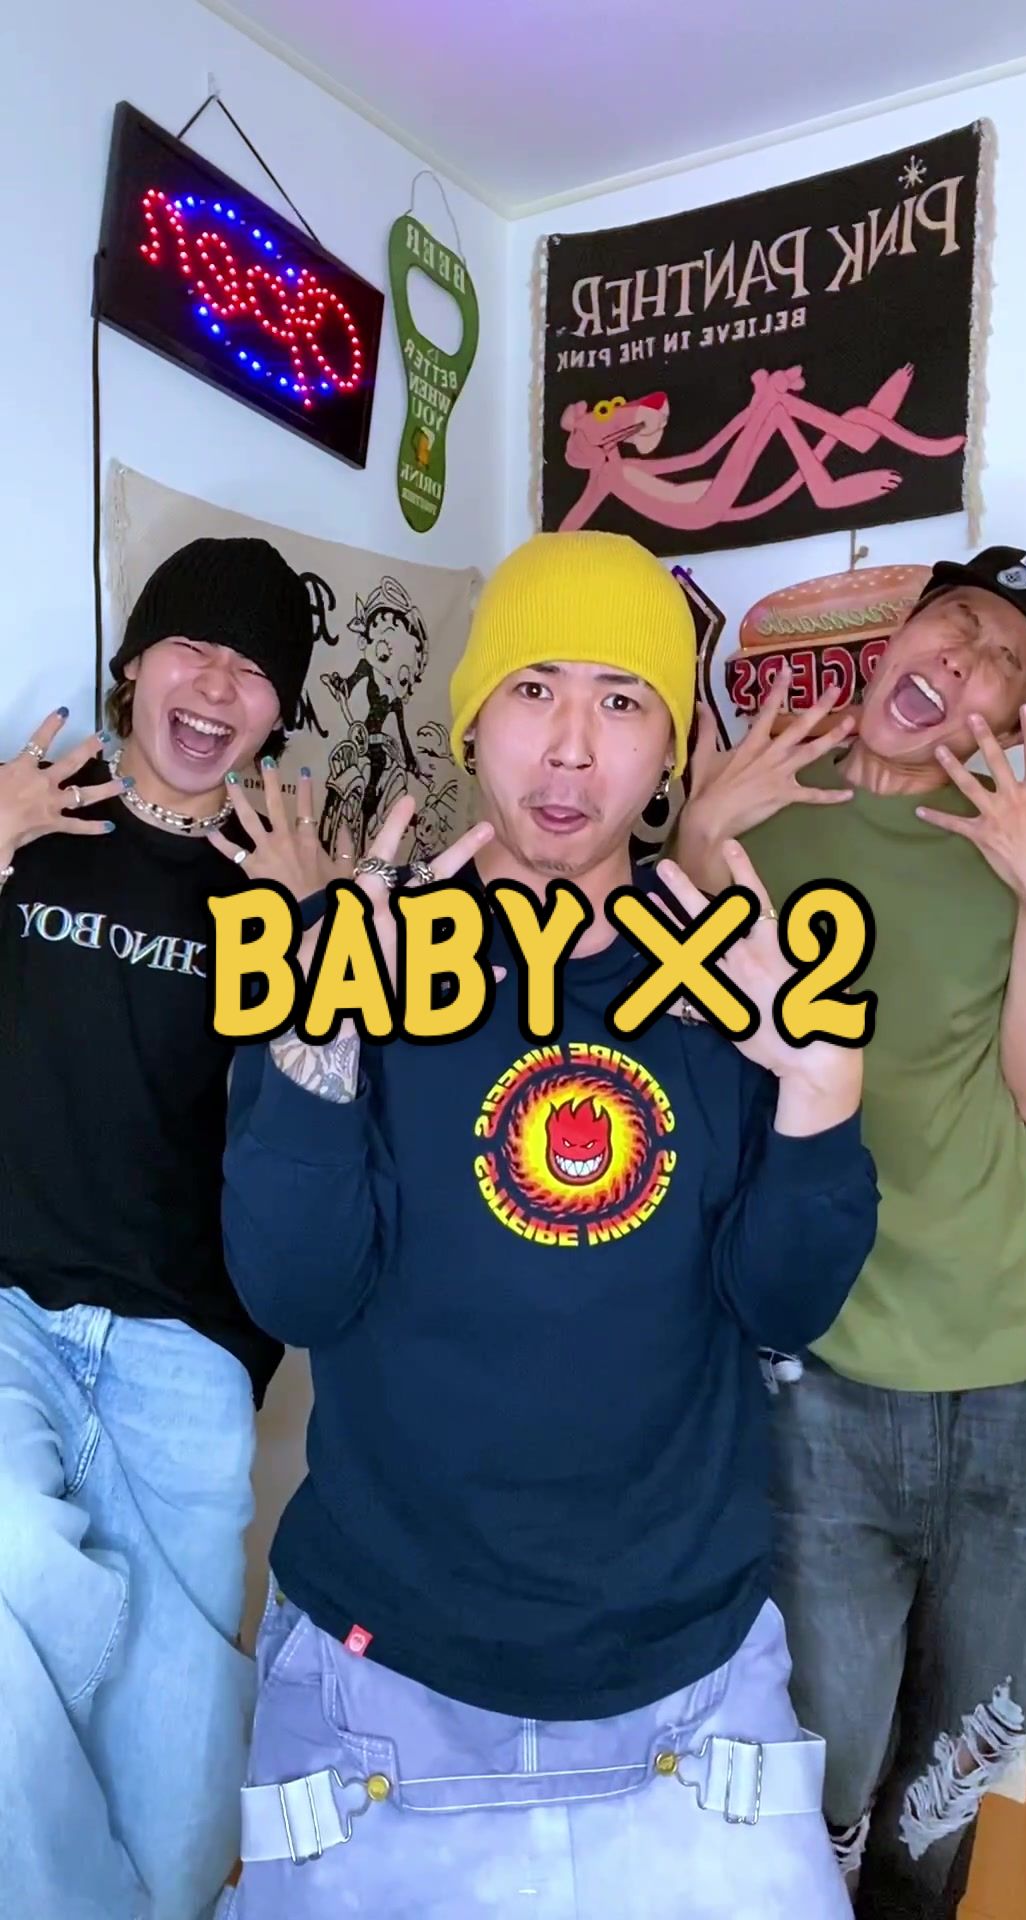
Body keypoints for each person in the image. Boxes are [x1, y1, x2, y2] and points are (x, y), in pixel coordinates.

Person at [216, 529, 879, 1919]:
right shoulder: (366, 959)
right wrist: (318, 1051)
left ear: (670, 747)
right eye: (533, 689)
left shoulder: (729, 982)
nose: (571, 747)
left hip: (690, 1696)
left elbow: (783, 1305)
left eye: (621, 700)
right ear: (473, 721)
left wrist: (817, 1095)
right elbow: (295, 1295)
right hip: (384, 1687)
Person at [672, 544, 1026, 1918]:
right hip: (830, 1357)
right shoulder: (767, 798)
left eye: (1006, 667)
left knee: (960, 1751)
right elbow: (681, 1033)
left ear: (1016, 723)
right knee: (831, 1742)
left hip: (1018, 1362)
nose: (965, 661)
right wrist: (695, 843)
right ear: (900, 632)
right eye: (956, 624)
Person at [0, 536, 331, 1920]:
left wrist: (317, 935)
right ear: (135, 663)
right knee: (11, 1554)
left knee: (188, 1782)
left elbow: (330, 1118)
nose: (215, 685)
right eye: (192, 646)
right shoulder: (35, 813)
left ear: (278, 712)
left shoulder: (283, 878)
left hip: (191, 1342)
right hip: (11, 1307)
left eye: (254, 668)